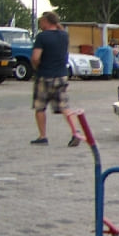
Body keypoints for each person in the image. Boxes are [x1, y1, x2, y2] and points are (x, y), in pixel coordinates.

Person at [30, 11, 80, 146]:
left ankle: (42, 136)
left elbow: (35, 57)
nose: (40, 24)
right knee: (64, 106)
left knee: (40, 107)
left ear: (46, 22)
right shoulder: (64, 36)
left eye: (41, 21)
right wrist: (56, 23)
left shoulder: (42, 37)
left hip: (45, 75)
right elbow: (60, 29)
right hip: (61, 75)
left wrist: (36, 66)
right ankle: (75, 131)